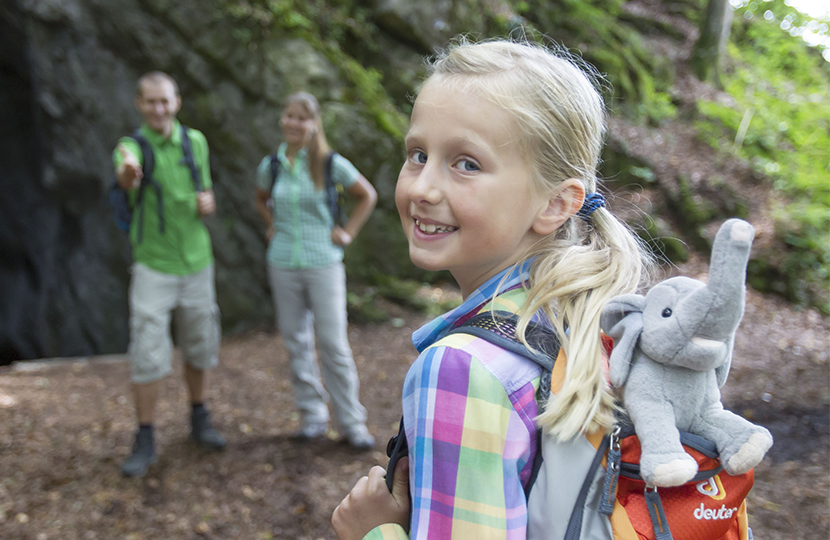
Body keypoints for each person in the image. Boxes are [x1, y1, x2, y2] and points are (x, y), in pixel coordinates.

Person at [331, 38, 652, 539]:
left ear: (554, 203)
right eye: (417, 154)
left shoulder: (461, 370)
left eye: (467, 164)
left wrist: (373, 532)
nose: (421, 188)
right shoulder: (601, 320)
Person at [113, 71, 226, 478]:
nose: (158, 109)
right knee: (147, 351)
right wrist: (129, 171)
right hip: (153, 266)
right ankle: (144, 436)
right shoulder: (131, 146)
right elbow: (125, 173)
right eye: (150, 102)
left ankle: (199, 416)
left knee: (199, 342)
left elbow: (206, 195)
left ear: (176, 102)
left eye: (165, 101)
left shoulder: (195, 142)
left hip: (197, 261)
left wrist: (208, 203)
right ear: (140, 105)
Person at [254, 92, 379, 449]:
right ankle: (312, 417)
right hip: (282, 262)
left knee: (333, 343)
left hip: (323, 261)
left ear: (313, 124)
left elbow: (366, 195)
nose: (293, 123)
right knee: (296, 341)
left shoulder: (329, 163)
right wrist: (271, 223)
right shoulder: (272, 164)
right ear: (283, 119)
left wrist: (348, 233)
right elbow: (260, 198)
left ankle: (352, 424)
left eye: (301, 118)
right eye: (289, 116)